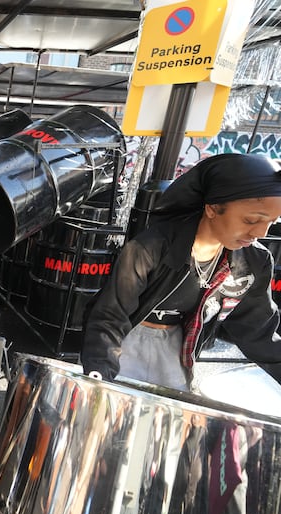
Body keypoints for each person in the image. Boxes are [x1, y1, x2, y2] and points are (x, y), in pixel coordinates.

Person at [81, 153, 281, 391]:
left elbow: (257, 331)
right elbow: (110, 317)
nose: (260, 232)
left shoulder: (254, 261)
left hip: (177, 347)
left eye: (272, 222)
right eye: (251, 220)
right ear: (212, 208)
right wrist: (98, 375)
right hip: (124, 341)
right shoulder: (151, 248)